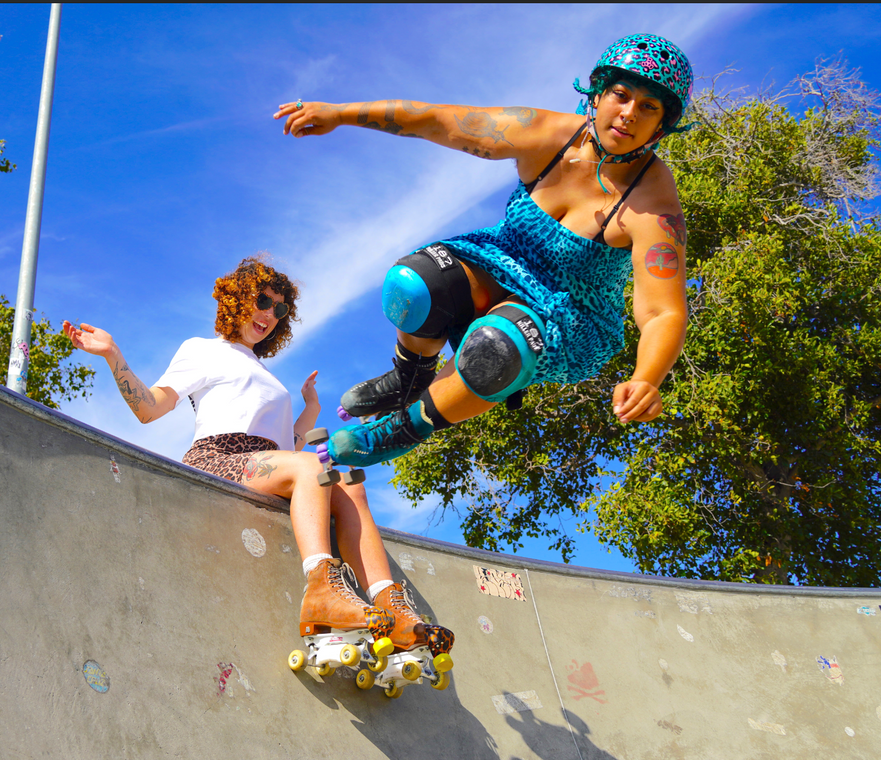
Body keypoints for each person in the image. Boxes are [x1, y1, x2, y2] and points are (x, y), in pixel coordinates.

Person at [273, 34, 692, 467]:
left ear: (662, 125)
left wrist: (646, 379)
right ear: (598, 94)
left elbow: (663, 312)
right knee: (413, 284)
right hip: (501, 261)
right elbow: (438, 120)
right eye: (621, 96)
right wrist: (340, 113)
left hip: (569, 314)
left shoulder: (653, 205)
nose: (628, 114)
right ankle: (411, 374)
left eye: (648, 107)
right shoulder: (546, 135)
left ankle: (404, 428)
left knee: (496, 346)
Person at [61, 256, 454, 675]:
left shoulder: (269, 376)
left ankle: (390, 607)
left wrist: (311, 409)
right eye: (263, 300)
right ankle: (322, 588)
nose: (269, 314)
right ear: (236, 298)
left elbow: (288, 448)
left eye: (279, 309)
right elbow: (149, 408)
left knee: (348, 483)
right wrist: (112, 354)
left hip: (264, 460)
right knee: (309, 468)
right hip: (218, 457)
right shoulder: (203, 350)